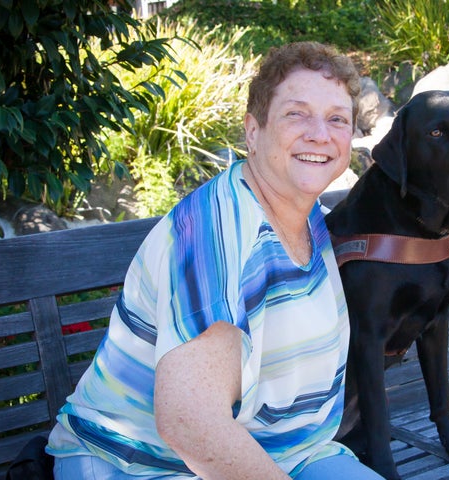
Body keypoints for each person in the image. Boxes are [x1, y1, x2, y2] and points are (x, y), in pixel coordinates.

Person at [46, 41, 385, 480]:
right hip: (142, 464)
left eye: (337, 119)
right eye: (296, 113)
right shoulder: (218, 234)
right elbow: (192, 427)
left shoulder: (313, 221)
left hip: (288, 454)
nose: (320, 134)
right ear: (252, 131)